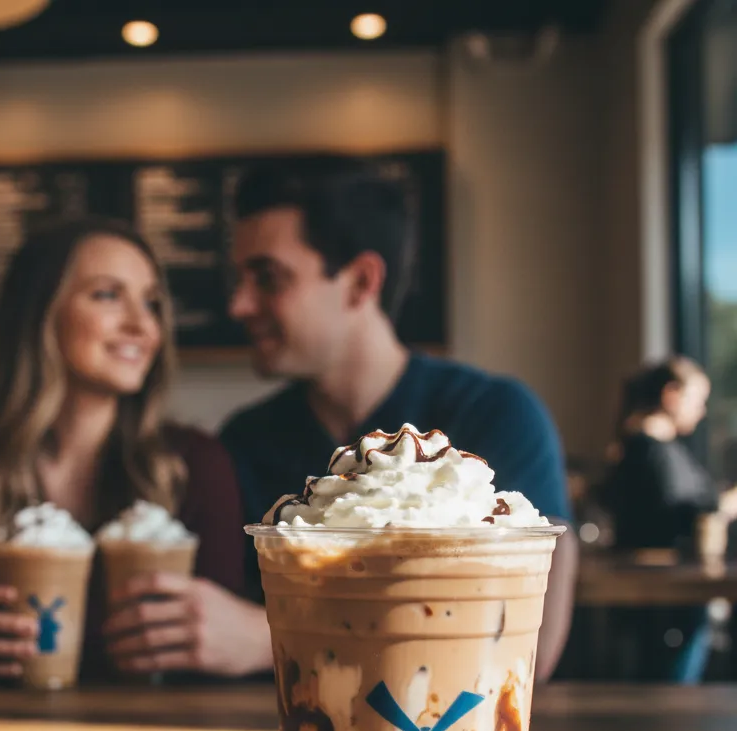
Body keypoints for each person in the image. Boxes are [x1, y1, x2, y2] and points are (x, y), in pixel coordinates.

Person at [216, 159, 579, 683]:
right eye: (240, 279)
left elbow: (527, 649)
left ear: (361, 281)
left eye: (268, 278)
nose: (238, 305)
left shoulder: (495, 417)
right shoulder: (245, 440)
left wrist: (262, 634)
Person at [0, 218, 269, 680]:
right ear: (40, 313)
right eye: (107, 295)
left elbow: (214, 670)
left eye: (151, 303)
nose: (142, 325)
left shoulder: (195, 466)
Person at [602, 357, 736, 682]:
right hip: (665, 594)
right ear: (671, 394)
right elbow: (683, 512)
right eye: (698, 400)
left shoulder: (646, 450)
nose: (702, 411)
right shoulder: (653, 454)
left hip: (665, 594)